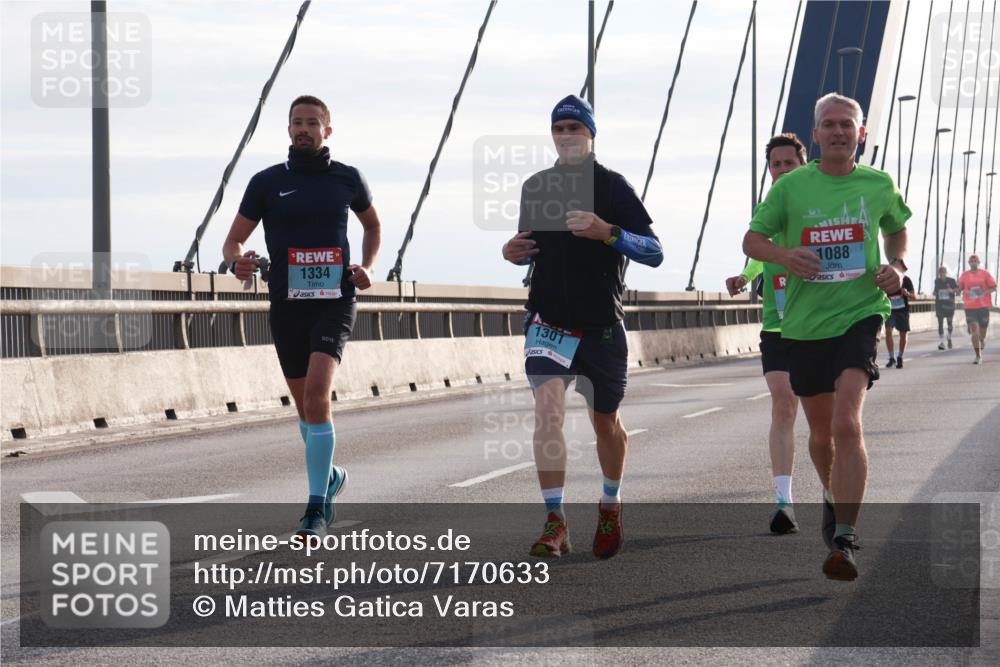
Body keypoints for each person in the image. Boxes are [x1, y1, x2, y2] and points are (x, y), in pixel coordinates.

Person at [743, 93, 910, 581]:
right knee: (820, 434)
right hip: (802, 325)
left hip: (860, 314)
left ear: (862, 134)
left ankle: (846, 537)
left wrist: (898, 266)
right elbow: (752, 241)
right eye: (829, 125)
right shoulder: (791, 187)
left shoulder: (878, 184)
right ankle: (834, 495)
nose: (839, 132)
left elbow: (897, 229)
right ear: (815, 135)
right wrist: (784, 256)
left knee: (846, 423)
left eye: (847, 125)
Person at [502, 94, 663, 559]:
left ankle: (610, 504)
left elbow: (654, 252)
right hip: (548, 322)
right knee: (548, 412)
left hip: (601, 326)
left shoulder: (612, 186)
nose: (567, 135)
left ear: (591, 134)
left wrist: (607, 232)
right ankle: (555, 521)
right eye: (559, 128)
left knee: (605, 424)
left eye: (575, 127)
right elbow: (527, 248)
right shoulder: (536, 187)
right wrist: (511, 252)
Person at [223, 95, 382, 537]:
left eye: (313, 123)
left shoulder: (347, 178)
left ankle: (316, 509)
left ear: (327, 131)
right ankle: (331, 476)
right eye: (297, 122)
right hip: (287, 305)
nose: (304, 129)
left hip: (335, 300)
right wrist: (237, 262)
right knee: (305, 408)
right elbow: (233, 241)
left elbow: (372, 225)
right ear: (288, 129)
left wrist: (368, 267)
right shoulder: (266, 182)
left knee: (316, 395)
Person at [724, 133, 807, 535]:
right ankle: (783, 501)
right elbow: (760, 252)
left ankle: (835, 492)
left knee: (825, 418)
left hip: (817, 326)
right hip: (777, 326)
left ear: (802, 165)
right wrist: (745, 276)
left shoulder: (817, 206)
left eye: (789, 163)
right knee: (784, 404)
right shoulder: (768, 210)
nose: (782, 170)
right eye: (776, 164)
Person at [957, 254, 997, 365]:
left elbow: (994, 287)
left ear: (979, 262)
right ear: (969, 262)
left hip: (983, 306)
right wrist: (957, 290)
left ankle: (982, 340)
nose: (973, 262)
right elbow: (960, 287)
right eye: (971, 260)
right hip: (970, 307)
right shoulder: (964, 275)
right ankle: (978, 356)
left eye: (975, 260)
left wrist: (984, 292)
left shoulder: (985, 274)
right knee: (974, 331)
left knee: (983, 331)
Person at [883, 270, 914, 368]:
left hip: (903, 311)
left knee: (903, 334)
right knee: (888, 331)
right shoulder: (887, 279)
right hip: (890, 310)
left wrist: (907, 293)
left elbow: (914, 296)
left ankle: (900, 356)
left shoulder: (906, 280)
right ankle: (891, 358)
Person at [934, 266, 959, 350]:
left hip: (950, 305)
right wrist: (935, 293)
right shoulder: (937, 281)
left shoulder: (952, 281)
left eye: (943, 272)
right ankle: (942, 342)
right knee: (940, 323)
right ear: (939, 274)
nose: (942, 274)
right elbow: (935, 291)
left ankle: (949, 337)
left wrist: (952, 290)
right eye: (940, 273)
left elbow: (957, 290)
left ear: (946, 273)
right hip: (939, 305)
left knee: (949, 323)